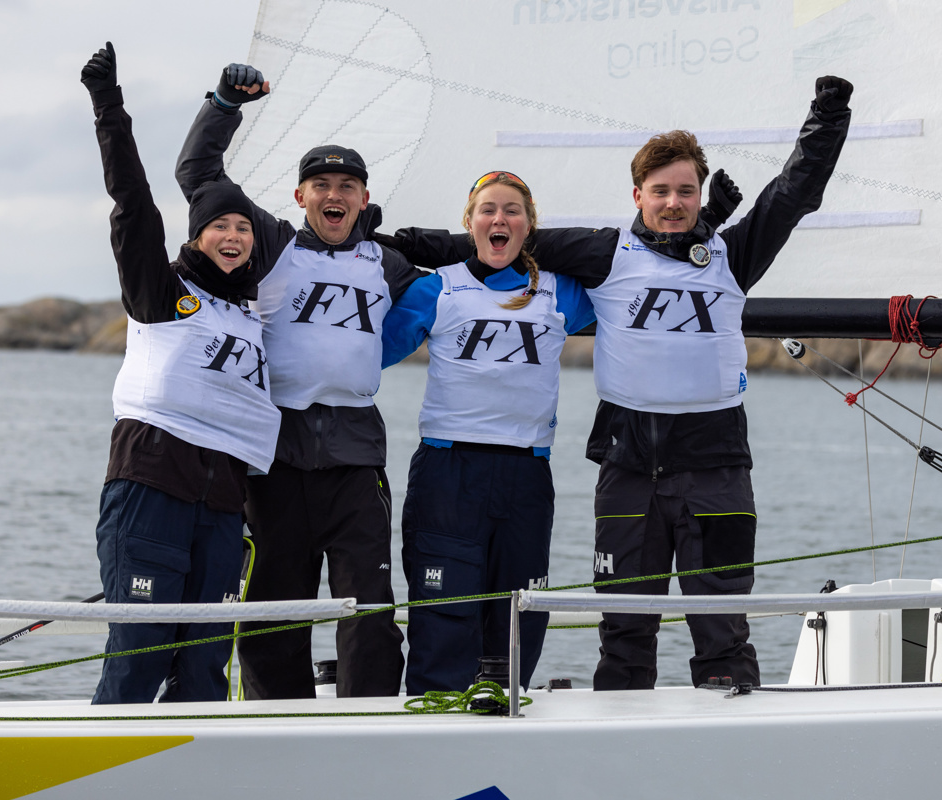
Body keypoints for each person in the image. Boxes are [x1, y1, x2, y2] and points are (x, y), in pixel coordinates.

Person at [384, 76, 852, 690]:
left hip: (716, 463)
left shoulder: (734, 255)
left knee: (723, 626)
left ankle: (731, 724)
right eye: (661, 191)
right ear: (638, 195)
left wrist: (827, 117)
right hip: (629, 465)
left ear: (701, 195)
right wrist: (394, 244)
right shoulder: (607, 254)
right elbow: (503, 242)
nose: (673, 203)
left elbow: (794, 194)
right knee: (626, 629)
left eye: (686, 192)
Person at [173, 64, 419, 700]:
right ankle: (277, 724)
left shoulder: (389, 262)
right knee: (273, 611)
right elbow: (198, 176)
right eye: (321, 185)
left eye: (347, 186)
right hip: (273, 457)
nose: (334, 194)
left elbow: (473, 257)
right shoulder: (272, 244)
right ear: (300, 196)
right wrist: (223, 103)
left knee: (368, 610)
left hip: (356, 459)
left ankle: (369, 723)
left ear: (363, 199)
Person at [80, 43, 282, 704]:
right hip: (151, 484)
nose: (234, 235)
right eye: (219, 225)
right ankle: (109, 752)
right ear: (196, 236)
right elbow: (134, 205)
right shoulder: (164, 294)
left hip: (222, 501)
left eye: (243, 227)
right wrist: (109, 107)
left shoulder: (252, 310)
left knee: (202, 671)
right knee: (139, 661)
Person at [381, 172, 595, 694]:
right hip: (450, 471)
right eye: (488, 210)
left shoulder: (561, 291)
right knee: (445, 609)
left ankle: (506, 705)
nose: (500, 219)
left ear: (530, 225)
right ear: (469, 222)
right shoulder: (437, 287)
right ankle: (436, 706)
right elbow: (365, 357)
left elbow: (626, 275)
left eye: (512, 211)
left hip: (526, 473)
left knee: (520, 612)